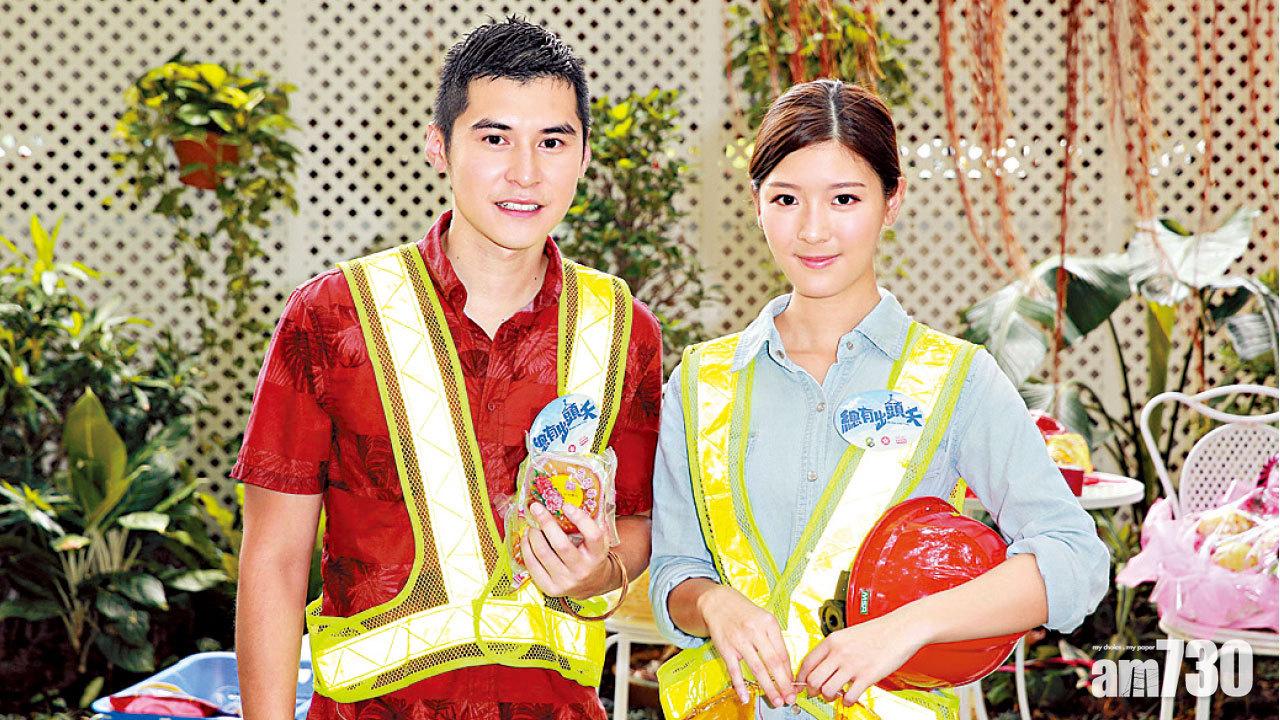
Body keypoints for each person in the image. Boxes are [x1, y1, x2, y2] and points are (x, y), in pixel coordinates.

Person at [233, 18, 662, 720]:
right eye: (495, 139)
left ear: (584, 155)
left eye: (553, 142)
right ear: (439, 146)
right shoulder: (333, 315)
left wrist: (598, 572)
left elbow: (636, 525)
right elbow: (274, 561)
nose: (526, 172)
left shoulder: (623, 329)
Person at [648, 79, 1109, 719]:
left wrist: (908, 626)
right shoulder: (701, 382)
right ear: (757, 205)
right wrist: (712, 602)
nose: (813, 230)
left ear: (892, 201)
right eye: (786, 199)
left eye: (844, 198)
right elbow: (675, 569)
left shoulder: (957, 380)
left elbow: (1076, 559)